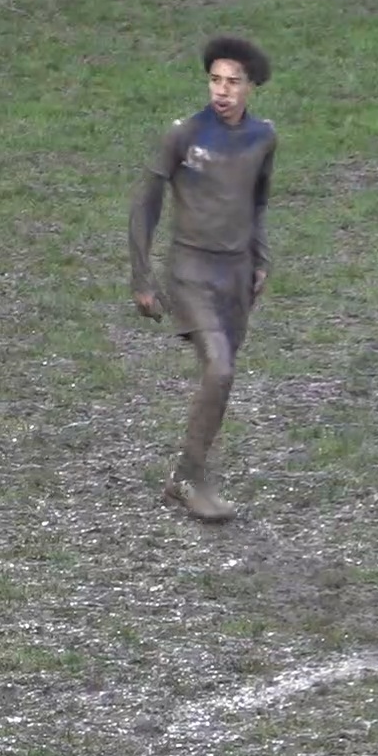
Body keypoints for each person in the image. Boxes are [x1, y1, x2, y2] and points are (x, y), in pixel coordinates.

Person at [129, 36, 278, 522]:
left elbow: (257, 202)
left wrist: (261, 259)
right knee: (220, 368)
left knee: (222, 375)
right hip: (190, 271)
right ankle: (190, 477)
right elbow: (146, 202)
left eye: (233, 82)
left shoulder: (263, 138)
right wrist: (141, 276)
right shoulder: (185, 134)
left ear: (250, 86)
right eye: (215, 80)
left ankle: (184, 474)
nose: (222, 90)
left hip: (236, 276)